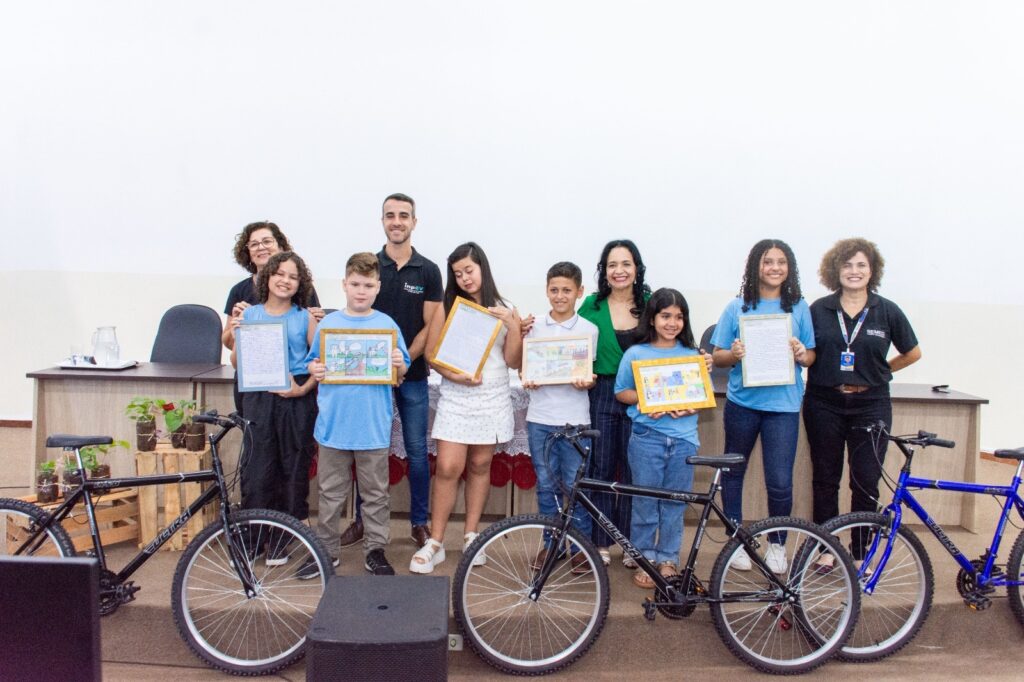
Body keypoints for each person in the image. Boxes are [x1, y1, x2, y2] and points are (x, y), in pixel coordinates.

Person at [337, 194, 442, 551]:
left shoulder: (428, 270)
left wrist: (403, 361)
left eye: (404, 216)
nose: (397, 221)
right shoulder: (369, 264)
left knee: (416, 451)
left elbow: (431, 325)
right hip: (369, 379)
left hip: (412, 375)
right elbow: (357, 315)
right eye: (390, 215)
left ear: (414, 221)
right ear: (382, 220)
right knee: (367, 449)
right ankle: (363, 521)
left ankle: (419, 523)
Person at [410, 242, 522, 574]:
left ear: (482, 268)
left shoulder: (505, 308)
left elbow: (514, 360)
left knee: (480, 464)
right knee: (448, 466)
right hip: (457, 396)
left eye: (469, 270)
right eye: (458, 274)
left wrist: (513, 325)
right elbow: (432, 355)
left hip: (492, 395)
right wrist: (455, 376)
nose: (464, 278)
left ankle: (472, 536)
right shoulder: (449, 307)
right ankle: (436, 542)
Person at [300, 252, 410, 578]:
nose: (361, 291)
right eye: (356, 284)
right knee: (330, 494)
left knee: (375, 495)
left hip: (372, 427)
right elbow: (313, 362)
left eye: (368, 285)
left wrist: (397, 363)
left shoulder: (387, 325)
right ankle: (327, 551)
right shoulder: (329, 324)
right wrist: (315, 369)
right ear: (344, 285)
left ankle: (375, 550)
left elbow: (401, 372)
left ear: (378, 287)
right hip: (334, 426)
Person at [803, 238, 921, 538]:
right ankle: (825, 548)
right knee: (825, 479)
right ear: (835, 270)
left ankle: (859, 553)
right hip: (824, 402)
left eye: (861, 265)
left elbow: (913, 352)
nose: (854, 271)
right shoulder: (819, 309)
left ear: (872, 270)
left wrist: (880, 371)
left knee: (866, 481)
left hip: (871, 404)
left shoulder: (887, 310)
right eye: (847, 265)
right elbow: (807, 352)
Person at [710, 240, 815, 573]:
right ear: (756, 266)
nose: (774, 268)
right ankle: (737, 541)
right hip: (743, 404)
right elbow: (717, 356)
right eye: (767, 261)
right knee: (733, 473)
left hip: (783, 407)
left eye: (781, 262)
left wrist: (803, 354)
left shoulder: (799, 307)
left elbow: (811, 355)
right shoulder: (736, 307)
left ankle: (777, 545)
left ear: (789, 268)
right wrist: (733, 354)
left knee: (780, 481)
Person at [614, 288, 708, 588]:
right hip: (647, 437)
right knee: (645, 501)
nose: (672, 323)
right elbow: (621, 392)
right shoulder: (636, 353)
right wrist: (646, 399)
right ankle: (644, 557)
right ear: (652, 318)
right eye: (665, 316)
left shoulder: (693, 355)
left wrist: (693, 404)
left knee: (675, 504)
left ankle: (668, 559)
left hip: (684, 440)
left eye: (679, 317)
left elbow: (700, 396)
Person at [229, 252, 319, 563]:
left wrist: (301, 389)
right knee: (257, 470)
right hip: (259, 396)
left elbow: (320, 363)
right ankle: (253, 540)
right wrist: (237, 334)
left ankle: (282, 539)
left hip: (295, 398)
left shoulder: (305, 318)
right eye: (280, 274)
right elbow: (237, 362)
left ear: (300, 284)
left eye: (293, 277)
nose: (285, 281)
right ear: (267, 277)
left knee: (292, 469)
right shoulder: (249, 315)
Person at [577, 239, 651, 567]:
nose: (619, 271)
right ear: (603, 271)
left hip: (641, 394)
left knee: (636, 468)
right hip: (603, 392)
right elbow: (568, 338)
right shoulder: (590, 306)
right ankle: (601, 540)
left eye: (625, 264)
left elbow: (671, 339)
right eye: (612, 265)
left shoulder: (651, 303)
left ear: (637, 268)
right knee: (602, 467)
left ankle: (632, 542)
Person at [522, 262, 598, 573]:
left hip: (575, 420)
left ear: (579, 292)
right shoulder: (533, 326)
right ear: (546, 290)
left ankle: (579, 548)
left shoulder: (589, 330)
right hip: (540, 418)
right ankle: (550, 544)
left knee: (575, 486)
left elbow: (589, 374)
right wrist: (528, 377)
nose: (560, 295)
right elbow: (524, 366)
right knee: (546, 486)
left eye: (567, 290)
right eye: (554, 289)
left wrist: (587, 382)